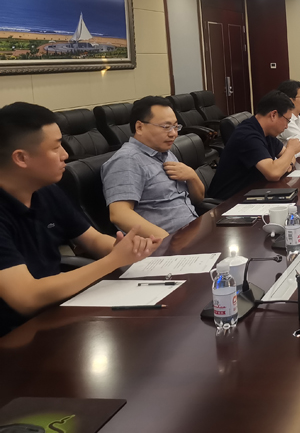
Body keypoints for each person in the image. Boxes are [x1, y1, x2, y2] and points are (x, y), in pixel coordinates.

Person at [0, 102, 160, 337]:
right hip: (15, 334)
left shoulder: (46, 190)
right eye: (56, 147)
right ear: (21, 158)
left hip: (57, 312)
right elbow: (26, 297)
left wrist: (132, 249)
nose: (65, 155)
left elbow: (93, 239)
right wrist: (114, 260)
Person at [102, 96, 203, 239]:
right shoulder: (127, 160)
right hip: (168, 243)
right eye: (166, 127)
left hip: (193, 231)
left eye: (175, 126)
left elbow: (198, 199)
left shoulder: (165, 152)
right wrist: (167, 241)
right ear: (140, 127)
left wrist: (192, 176)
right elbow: (119, 214)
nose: (173, 133)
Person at [207, 91, 300, 200]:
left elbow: (286, 156)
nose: (286, 126)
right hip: (229, 202)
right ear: (273, 115)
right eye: (287, 121)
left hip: (253, 193)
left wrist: (288, 162)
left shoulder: (266, 132)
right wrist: (291, 150)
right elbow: (274, 173)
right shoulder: (247, 135)